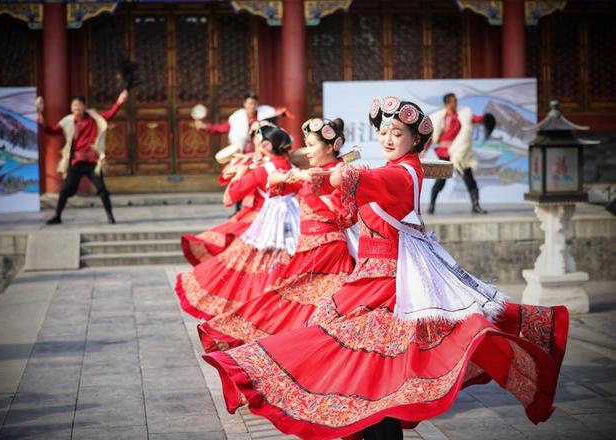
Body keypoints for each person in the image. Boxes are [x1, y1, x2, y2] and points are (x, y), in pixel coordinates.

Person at [202, 96, 568, 440]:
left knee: (367, 362)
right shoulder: (391, 169)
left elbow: (354, 182)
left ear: (415, 139)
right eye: (383, 132)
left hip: (392, 284)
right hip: (367, 276)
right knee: (355, 356)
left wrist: (327, 175)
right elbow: (346, 203)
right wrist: (318, 178)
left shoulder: (403, 174)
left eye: (397, 133)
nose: (388, 139)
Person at [197, 118, 355, 353]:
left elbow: (230, 197)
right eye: (307, 145)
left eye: (312, 145)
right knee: (292, 301)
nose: (307, 151)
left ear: (330, 147)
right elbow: (278, 178)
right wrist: (293, 175)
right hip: (304, 246)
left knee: (296, 301)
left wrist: (304, 176)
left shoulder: (338, 172)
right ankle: (300, 346)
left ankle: (306, 348)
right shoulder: (304, 169)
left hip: (325, 249)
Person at [175, 125, 299, 320]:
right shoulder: (294, 167)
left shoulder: (262, 170)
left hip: (261, 227)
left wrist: (241, 173)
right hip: (293, 228)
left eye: (257, 140)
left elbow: (228, 199)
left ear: (266, 145)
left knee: (239, 271)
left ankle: (250, 313)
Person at [181, 121, 273, 266]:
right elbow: (225, 179)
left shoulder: (275, 162)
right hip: (250, 212)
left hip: (269, 215)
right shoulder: (247, 160)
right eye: (258, 132)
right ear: (254, 138)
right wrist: (242, 167)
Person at [39, 90, 127, 224]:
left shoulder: (94, 118)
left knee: (102, 189)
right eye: (74, 105)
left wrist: (119, 102)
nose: (77, 108)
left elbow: (109, 114)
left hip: (92, 162)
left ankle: (110, 216)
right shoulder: (68, 121)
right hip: (76, 162)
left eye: (79, 105)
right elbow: (52, 131)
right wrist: (42, 123)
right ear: (71, 108)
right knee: (65, 190)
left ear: (84, 106)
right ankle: (57, 216)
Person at [427, 92, 488, 214]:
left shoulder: (463, 115)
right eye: (453, 101)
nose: (456, 103)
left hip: (459, 152)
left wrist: (487, 118)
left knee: (468, 177)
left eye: (456, 101)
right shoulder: (439, 117)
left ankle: (476, 205)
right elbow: (431, 135)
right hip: (443, 152)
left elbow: (476, 119)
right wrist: (423, 149)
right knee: (441, 179)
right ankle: (431, 205)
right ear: (447, 103)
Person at [194, 92, 285, 155]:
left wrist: (281, 112)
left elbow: (280, 112)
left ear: (257, 104)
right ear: (245, 104)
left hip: (264, 151)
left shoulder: (266, 114)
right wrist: (206, 126)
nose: (252, 106)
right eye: (249, 103)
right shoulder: (237, 118)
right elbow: (223, 127)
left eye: (254, 103)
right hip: (244, 151)